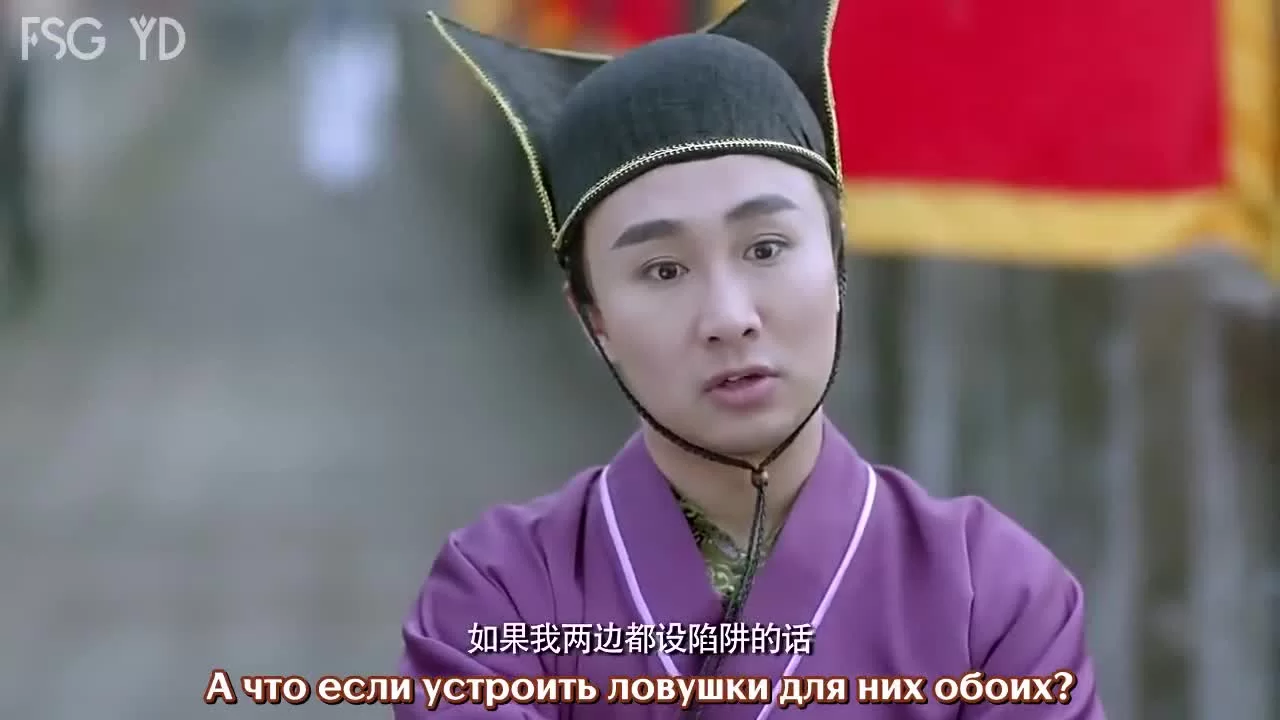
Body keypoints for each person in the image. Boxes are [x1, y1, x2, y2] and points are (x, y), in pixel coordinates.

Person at [397, 0, 1105, 717]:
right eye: (664, 270)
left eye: (766, 249)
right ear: (593, 318)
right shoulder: (498, 594)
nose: (729, 318)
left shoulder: (995, 596)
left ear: (837, 262)